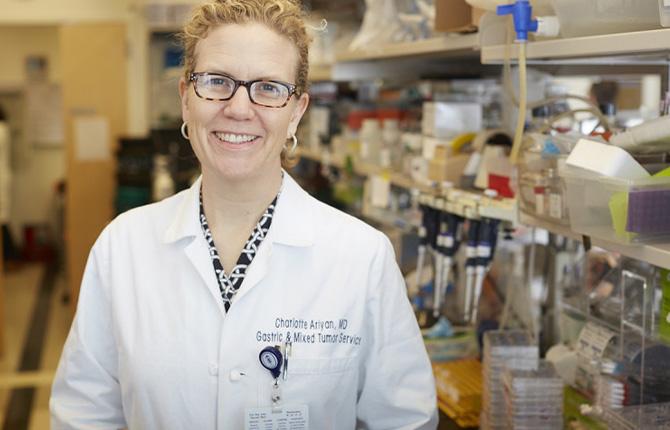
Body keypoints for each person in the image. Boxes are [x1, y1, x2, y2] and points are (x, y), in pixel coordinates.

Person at [50, 0, 437, 428]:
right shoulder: (122, 247)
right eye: (216, 82)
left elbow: (404, 420)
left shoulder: (362, 257)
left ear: (297, 112)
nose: (238, 108)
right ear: (186, 99)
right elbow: (83, 415)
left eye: (269, 87)